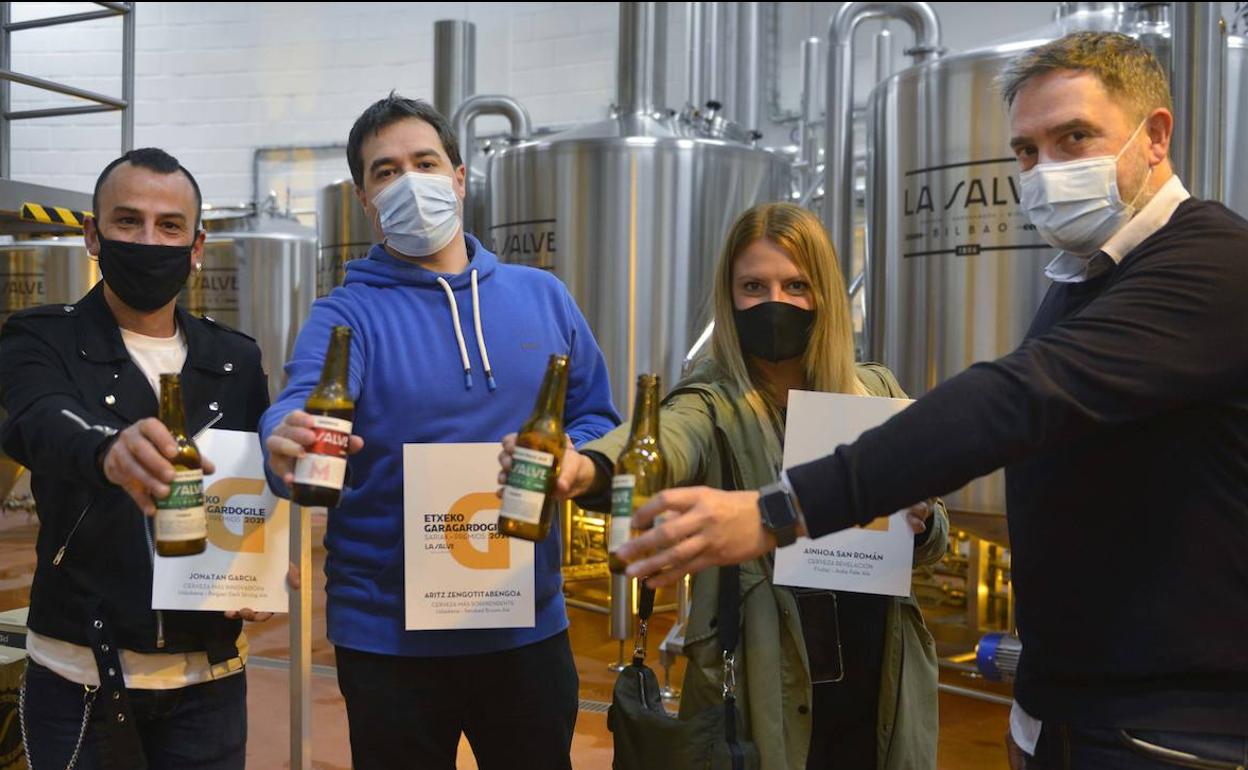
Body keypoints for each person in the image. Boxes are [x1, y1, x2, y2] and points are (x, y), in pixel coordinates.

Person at [616, 32, 1248, 769]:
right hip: (1071, 707)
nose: (1046, 170)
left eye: (1075, 137)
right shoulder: (1085, 276)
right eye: (1026, 151)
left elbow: (1014, 399)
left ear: (1156, 135)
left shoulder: (1211, 264)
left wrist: (773, 511)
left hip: (1167, 728)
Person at [500, 202, 948, 769]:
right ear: (730, 298)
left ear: (826, 295)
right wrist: (587, 468)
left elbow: (931, 541)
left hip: (879, 681)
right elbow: (662, 441)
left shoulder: (875, 392)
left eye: (796, 285)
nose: (775, 303)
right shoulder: (712, 400)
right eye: (754, 286)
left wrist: (925, 518)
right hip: (766, 691)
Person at [260, 93, 619, 770]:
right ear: (366, 200)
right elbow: (302, 400)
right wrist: (286, 434)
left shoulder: (543, 296)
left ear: (458, 177)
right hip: (388, 639)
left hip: (524, 621)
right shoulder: (346, 313)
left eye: (425, 162)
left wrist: (573, 457)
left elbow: (600, 417)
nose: (409, 182)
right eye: (386, 171)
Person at [0, 148, 273, 770]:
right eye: (128, 222)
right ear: (93, 234)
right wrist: (107, 448)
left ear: (196, 245)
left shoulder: (234, 358)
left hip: (209, 679)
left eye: (169, 226)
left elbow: (243, 490)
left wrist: (252, 566)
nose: (149, 240)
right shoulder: (41, 336)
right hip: (79, 677)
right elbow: (39, 420)